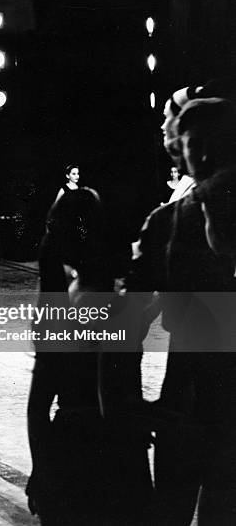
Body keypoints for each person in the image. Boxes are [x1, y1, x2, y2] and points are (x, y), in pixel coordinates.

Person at [121, 98, 236, 524]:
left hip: (187, 386)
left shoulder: (168, 221)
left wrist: (124, 405)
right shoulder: (169, 220)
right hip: (199, 384)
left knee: (175, 502)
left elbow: (128, 325)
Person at [26, 176, 153, 524]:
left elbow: (37, 409)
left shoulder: (54, 315)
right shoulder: (127, 311)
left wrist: (40, 470)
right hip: (118, 452)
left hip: (69, 447)